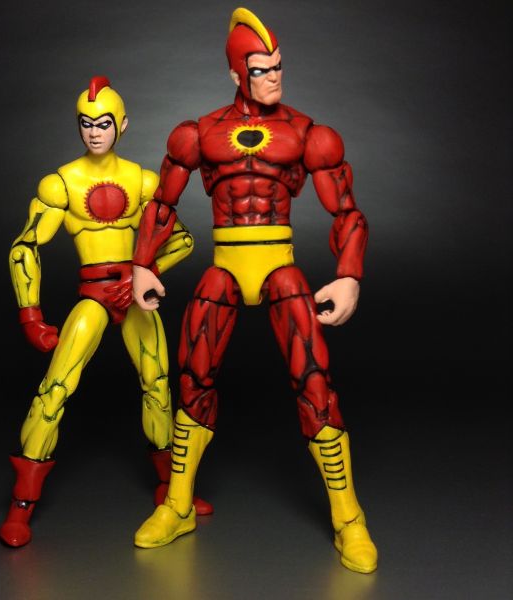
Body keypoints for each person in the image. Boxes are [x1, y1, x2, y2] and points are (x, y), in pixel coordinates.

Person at [131, 8, 377, 574]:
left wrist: (349, 274)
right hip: (225, 265)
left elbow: (347, 211)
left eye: (278, 66)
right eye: (262, 69)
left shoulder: (307, 133)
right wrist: (143, 264)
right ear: (236, 74)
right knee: (193, 377)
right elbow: (162, 204)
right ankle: (178, 505)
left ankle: (349, 517)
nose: (274, 77)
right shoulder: (199, 132)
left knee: (314, 381)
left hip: (278, 266)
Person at [0, 76, 211, 549]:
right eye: (87, 123)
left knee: (158, 385)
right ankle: (21, 505)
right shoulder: (62, 183)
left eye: (104, 123)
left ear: (123, 125)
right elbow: (24, 247)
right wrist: (30, 315)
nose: (95, 132)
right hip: (93, 296)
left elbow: (181, 240)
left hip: (133, 295)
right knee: (55, 387)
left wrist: (143, 274)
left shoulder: (143, 181)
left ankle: (172, 492)